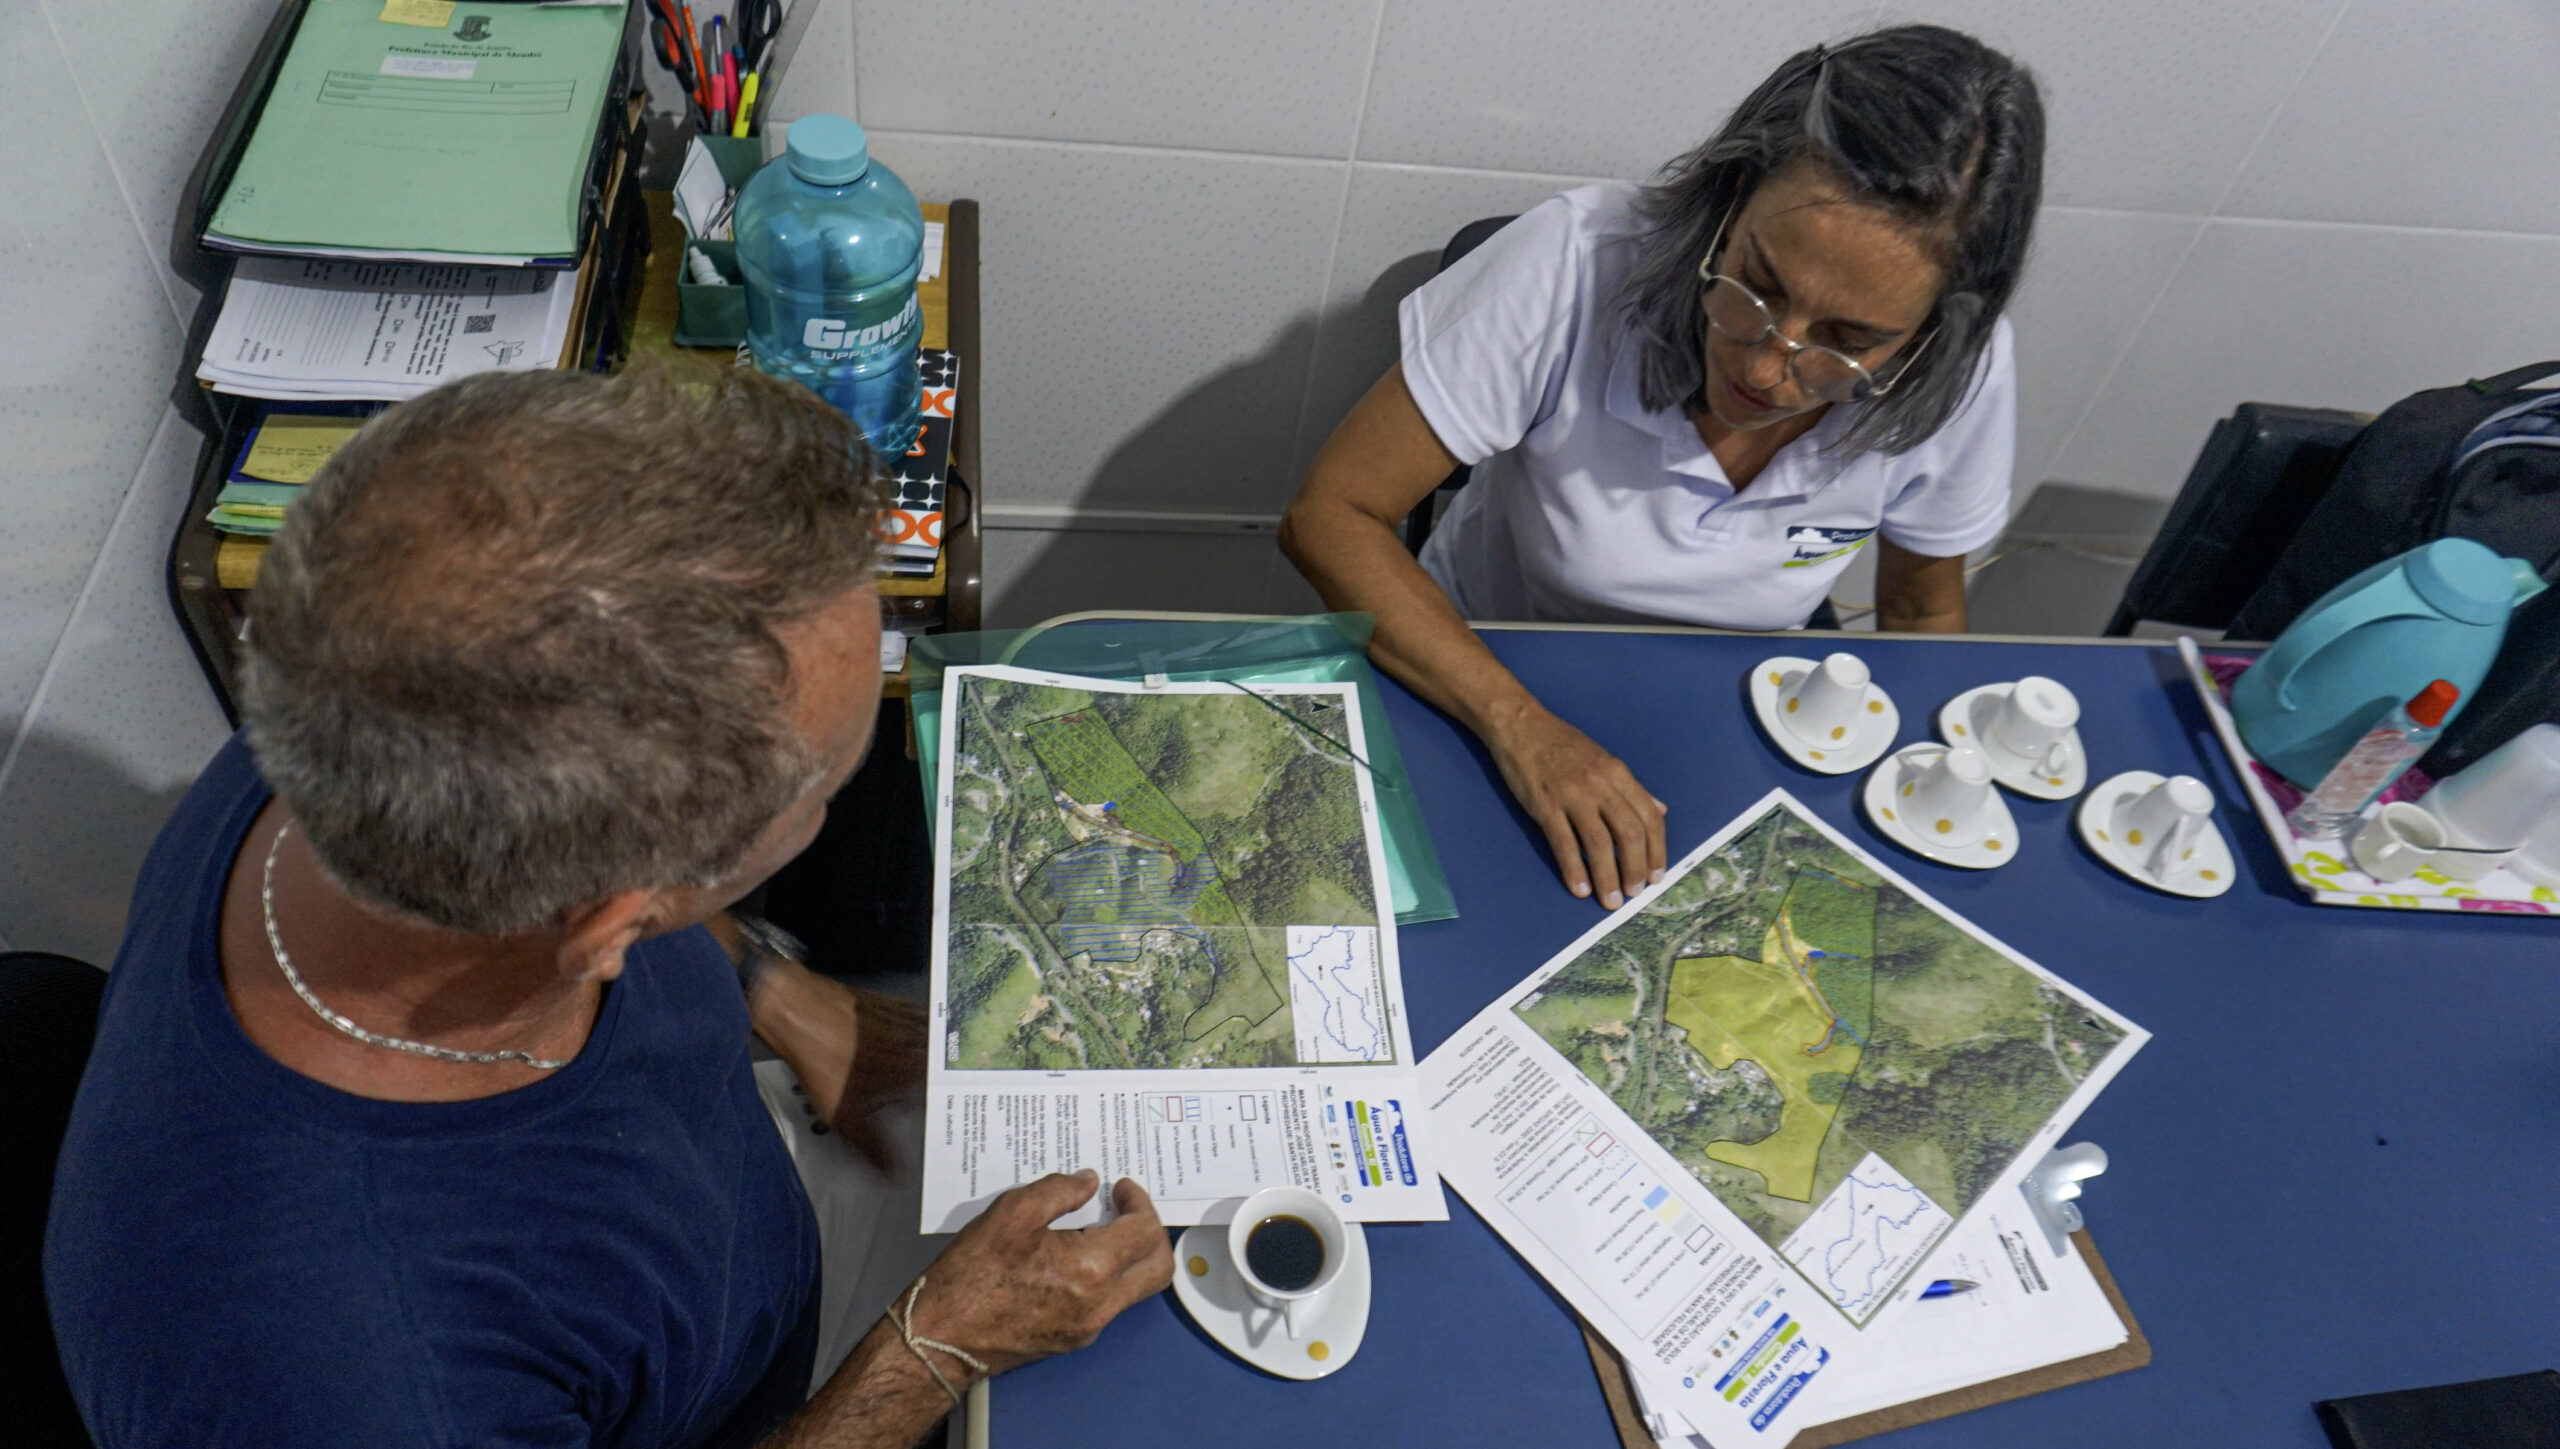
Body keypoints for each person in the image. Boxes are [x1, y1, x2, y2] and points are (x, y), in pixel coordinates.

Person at [45, 364, 1173, 1449]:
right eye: (824, 794)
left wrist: (781, 994)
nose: (832, 802)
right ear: (611, 925)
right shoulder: (360, 1376)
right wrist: (933, 1350)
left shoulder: (359, 701)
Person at [1280, 25, 2043, 913]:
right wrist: (1519, 724)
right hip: (1478, 667)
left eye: (1849, 340)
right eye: (1757, 284)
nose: (1769, 369)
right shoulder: (1576, 259)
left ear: (1932, 333)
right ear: (1732, 198)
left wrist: (1931, 805)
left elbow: (1919, 611)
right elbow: (1331, 514)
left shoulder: (1965, 369)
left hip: (1743, 711)